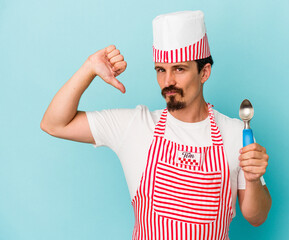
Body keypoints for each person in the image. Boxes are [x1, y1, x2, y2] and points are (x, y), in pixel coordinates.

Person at [41, 10, 271, 239]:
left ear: (204, 72)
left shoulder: (236, 133)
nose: (168, 81)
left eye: (179, 69)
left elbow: (256, 217)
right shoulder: (135, 126)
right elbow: (54, 124)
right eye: (161, 70)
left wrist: (252, 178)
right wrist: (89, 68)